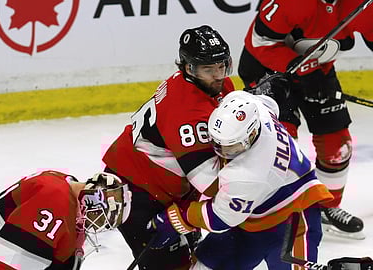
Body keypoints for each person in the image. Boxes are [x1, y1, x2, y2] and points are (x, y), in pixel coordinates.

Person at [148, 90, 334, 269]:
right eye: (217, 143)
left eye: (232, 147)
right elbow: (271, 104)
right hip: (249, 214)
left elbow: (218, 219)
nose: (223, 152)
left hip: (293, 219)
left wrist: (177, 218)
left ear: (251, 135)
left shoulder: (247, 174)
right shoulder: (252, 106)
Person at [101, 25, 235, 269]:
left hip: (165, 185)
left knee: (193, 256)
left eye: (221, 65)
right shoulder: (187, 112)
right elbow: (213, 184)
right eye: (208, 68)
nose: (218, 75)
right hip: (135, 193)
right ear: (188, 68)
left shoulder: (211, 85)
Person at [237, 0, 366, 239]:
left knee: (339, 146)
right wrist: (301, 70)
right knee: (281, 149)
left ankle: (325, 207)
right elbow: (260, 42)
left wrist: (310, 73)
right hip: (267, 68)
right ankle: (277, 215)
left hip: (317, 69)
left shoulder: (363, 4)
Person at [0, 170, 132, 270]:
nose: (94, 223)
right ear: (91, 197)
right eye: (98, 214)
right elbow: (6, 263)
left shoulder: (66, 191)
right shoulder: (54, 202)